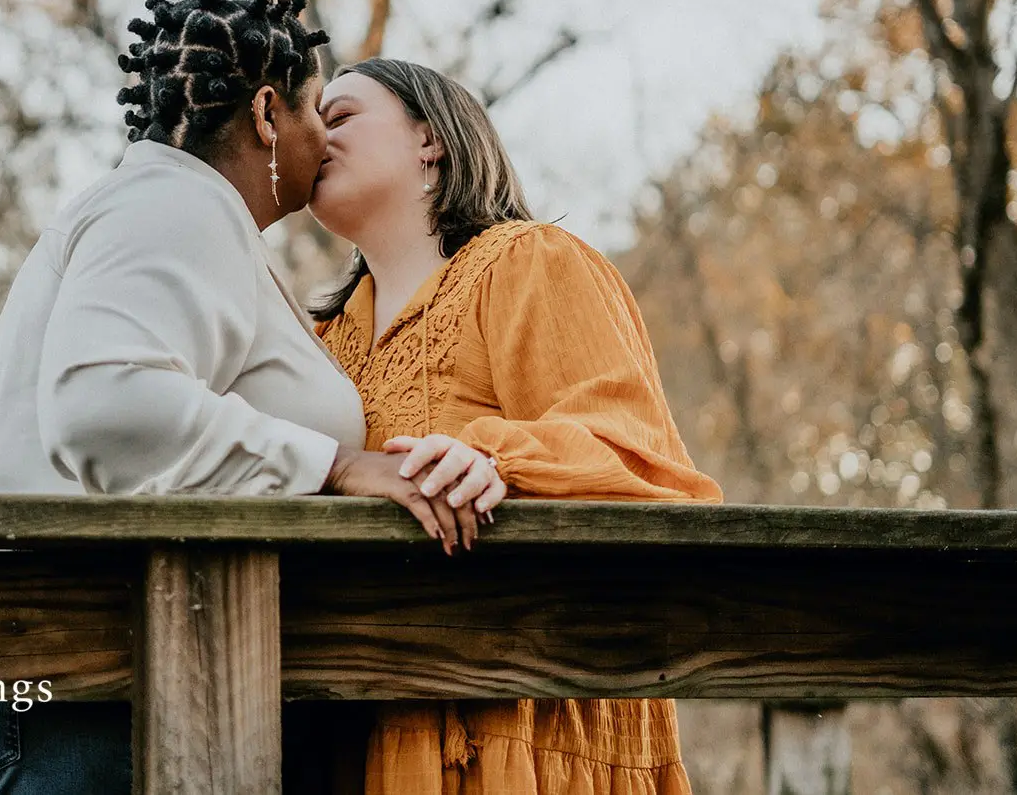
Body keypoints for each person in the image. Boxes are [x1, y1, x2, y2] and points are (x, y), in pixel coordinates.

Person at [0, 0, 497, 795]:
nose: (324, 136)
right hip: (71, 678)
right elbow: (104, 404)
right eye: (315, 110)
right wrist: (339, 464)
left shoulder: (189, 215)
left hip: (111, 668)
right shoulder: (173, 201)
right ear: (267, 114)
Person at [308, 57, 724, 795]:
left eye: (339, 115)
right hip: (361, 722)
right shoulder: (320, 341)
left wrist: (492, 457)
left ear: (430, 139)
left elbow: (642, 459)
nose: (316, 135)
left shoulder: (531, 260)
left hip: (531, 721)